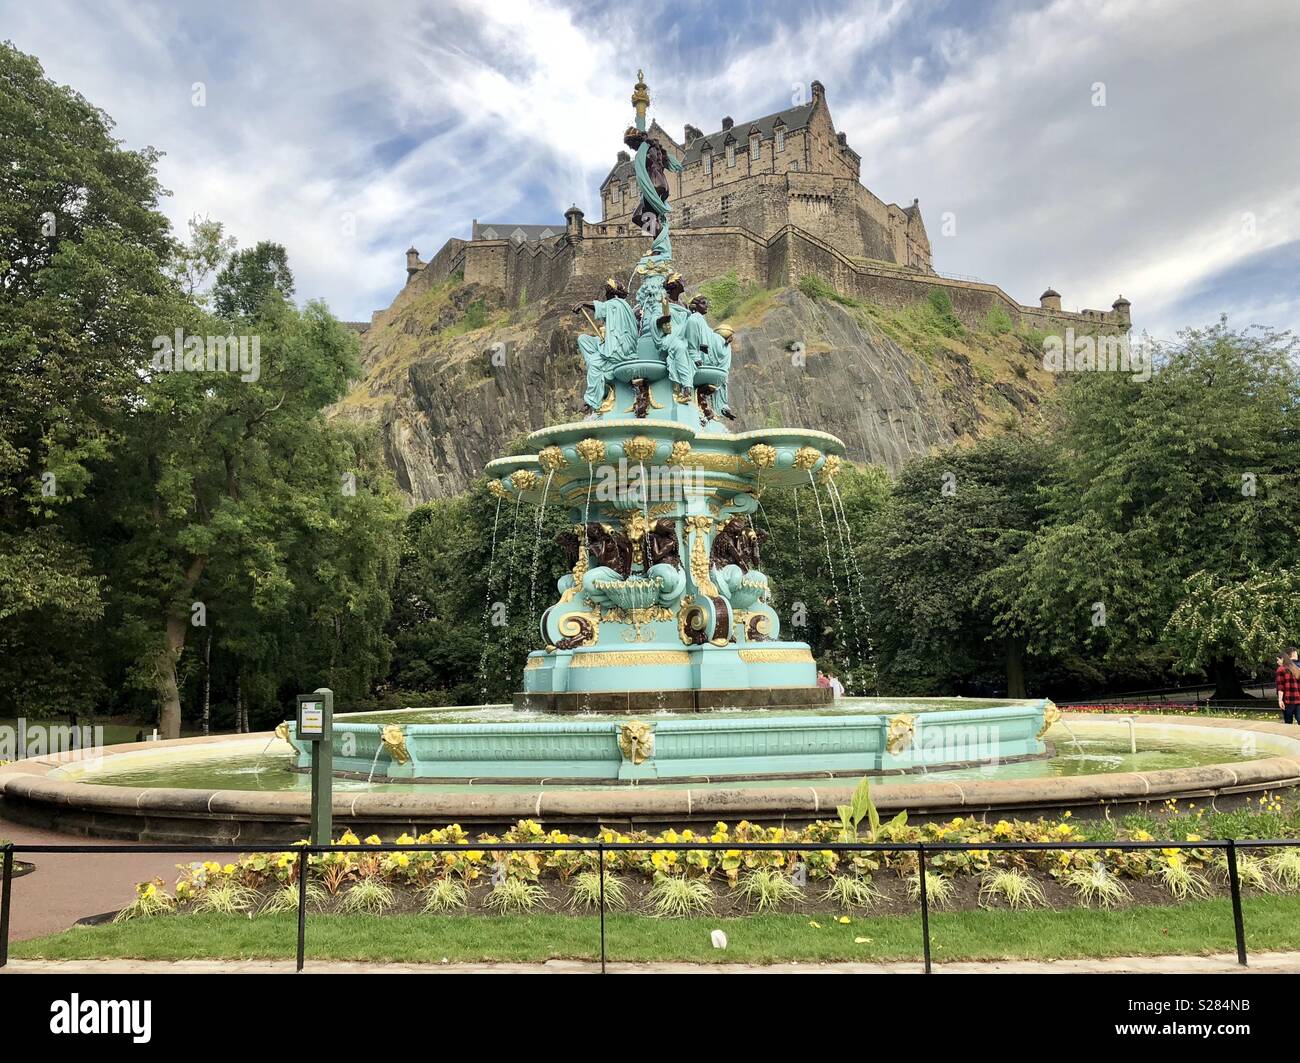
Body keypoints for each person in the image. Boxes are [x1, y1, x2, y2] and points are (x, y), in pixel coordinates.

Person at [572, 278, 637, 416]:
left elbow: (601, 307)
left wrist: (583, 303)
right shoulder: (621, 306)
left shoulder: (617, 304)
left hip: (619, 350)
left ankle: (591, 402)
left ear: (612, 294)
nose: (605, 297)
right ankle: (596, 359)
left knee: (595, 367)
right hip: (611, 343)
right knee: (584, 339)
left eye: (606, 294)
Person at [1277, 647, 1300, 723]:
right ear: (1293, 654)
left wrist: (1280, 700)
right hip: (1298, 700)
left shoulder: (1281, 669)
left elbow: (1281, 686)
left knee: (1288, 723)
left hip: (1287, 701)